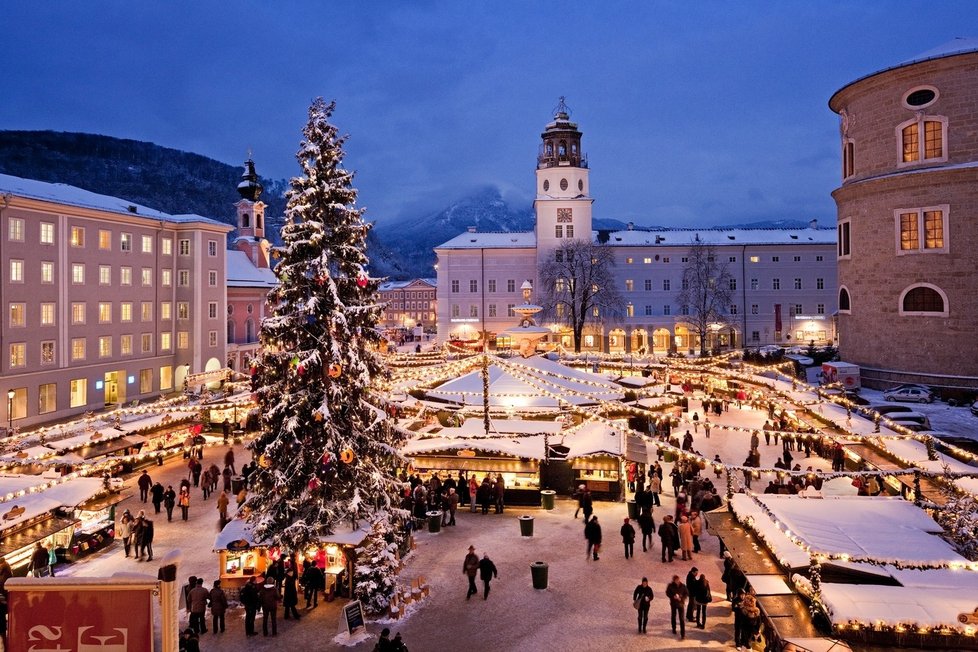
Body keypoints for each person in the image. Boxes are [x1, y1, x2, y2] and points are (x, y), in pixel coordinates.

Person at [666, 574, 688, 640]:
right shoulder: (670, 586)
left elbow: (686, 593)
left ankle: (683, 634)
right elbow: (667, 593)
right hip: (673, 604)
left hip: (681, 604)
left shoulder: (683, 586)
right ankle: (674, 628)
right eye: (676, 580)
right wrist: (673, 597)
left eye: (678, 580)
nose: (677, 581)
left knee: (681, 619)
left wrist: (681, 598)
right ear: (674, 580)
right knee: (673, 616)